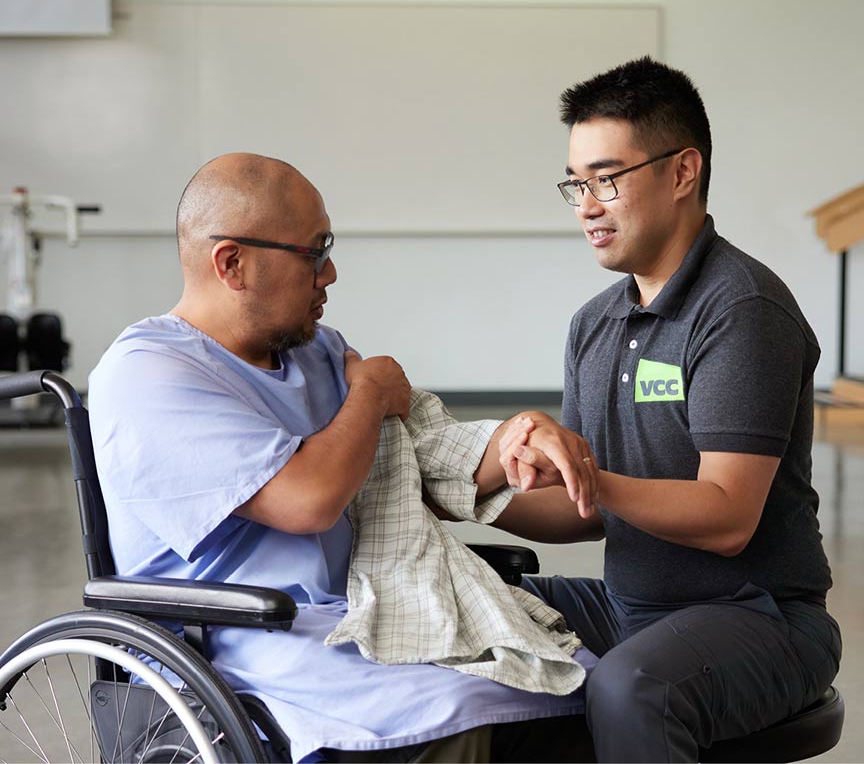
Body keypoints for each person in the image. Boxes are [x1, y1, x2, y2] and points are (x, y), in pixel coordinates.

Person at [87, 152, 590, 764]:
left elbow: (420, 453)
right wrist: (372, 391)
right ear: (232, 263)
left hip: (354, 614)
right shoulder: (148, 374)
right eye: (314, 252)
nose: (331, 274)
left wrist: (512, 441)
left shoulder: (318, 352)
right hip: (240, 640)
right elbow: (311, 499)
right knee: (450, 713)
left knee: (570, 687)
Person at [487, 56, 842, 762]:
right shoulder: (595, 323)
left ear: (683, 171)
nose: (587, 204)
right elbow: (580, 510)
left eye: (607, 179)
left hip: (761, 617)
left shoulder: (742, 309)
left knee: (630, 689)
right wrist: (459, 497)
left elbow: (728, 517)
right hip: (633, 609)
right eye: (577, 183)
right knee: (469, 611)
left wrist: (588, 474)